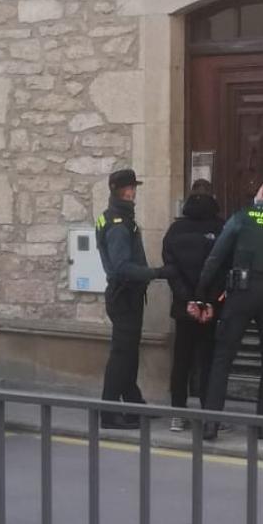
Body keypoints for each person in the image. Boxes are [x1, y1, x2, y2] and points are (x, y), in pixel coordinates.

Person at [196, 175, 263, 440]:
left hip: (241, 291)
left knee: (223, 357)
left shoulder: (242, 217)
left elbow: (217, 255)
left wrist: (202, 290)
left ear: (262, 192)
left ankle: (211, 423)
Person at [95, 168, 173, 429]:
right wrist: (156, 273)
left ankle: (133, 403)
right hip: (124, 295)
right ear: (120, 191)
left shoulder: (114, 217)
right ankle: (108, 413)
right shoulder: (119, 224)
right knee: (121, 356)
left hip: (126, 295)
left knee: (128, 354)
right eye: (129, 189)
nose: (133, 193)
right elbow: (122, 267)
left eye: (134, 188)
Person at [161, 182, 223, 432]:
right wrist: (209, 301)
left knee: (182, 360)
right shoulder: (221, 228)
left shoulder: (175, 229)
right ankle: (209, 414)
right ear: (213, 197)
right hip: (209, 309)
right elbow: (224, 268)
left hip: (184, 307)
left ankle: (178, 412)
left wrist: (187, 299)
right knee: (208, 360)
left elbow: (171, 269)